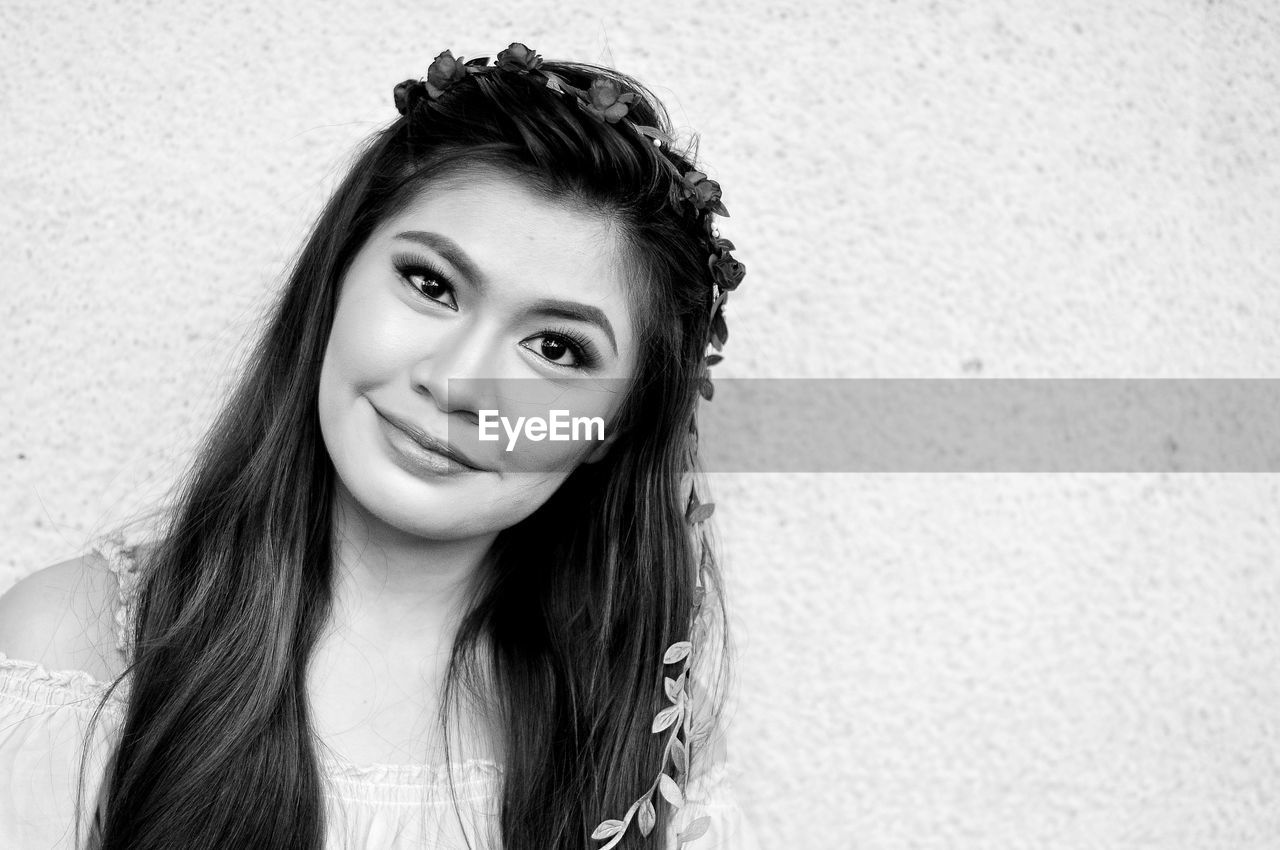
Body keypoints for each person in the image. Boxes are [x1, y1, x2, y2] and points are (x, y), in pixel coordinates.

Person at [0, 42, 754, 849]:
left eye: (557, 350)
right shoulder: (71, 658)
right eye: (432, 285)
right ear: (334, 281)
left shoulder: (647, 733)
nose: (457, 383)